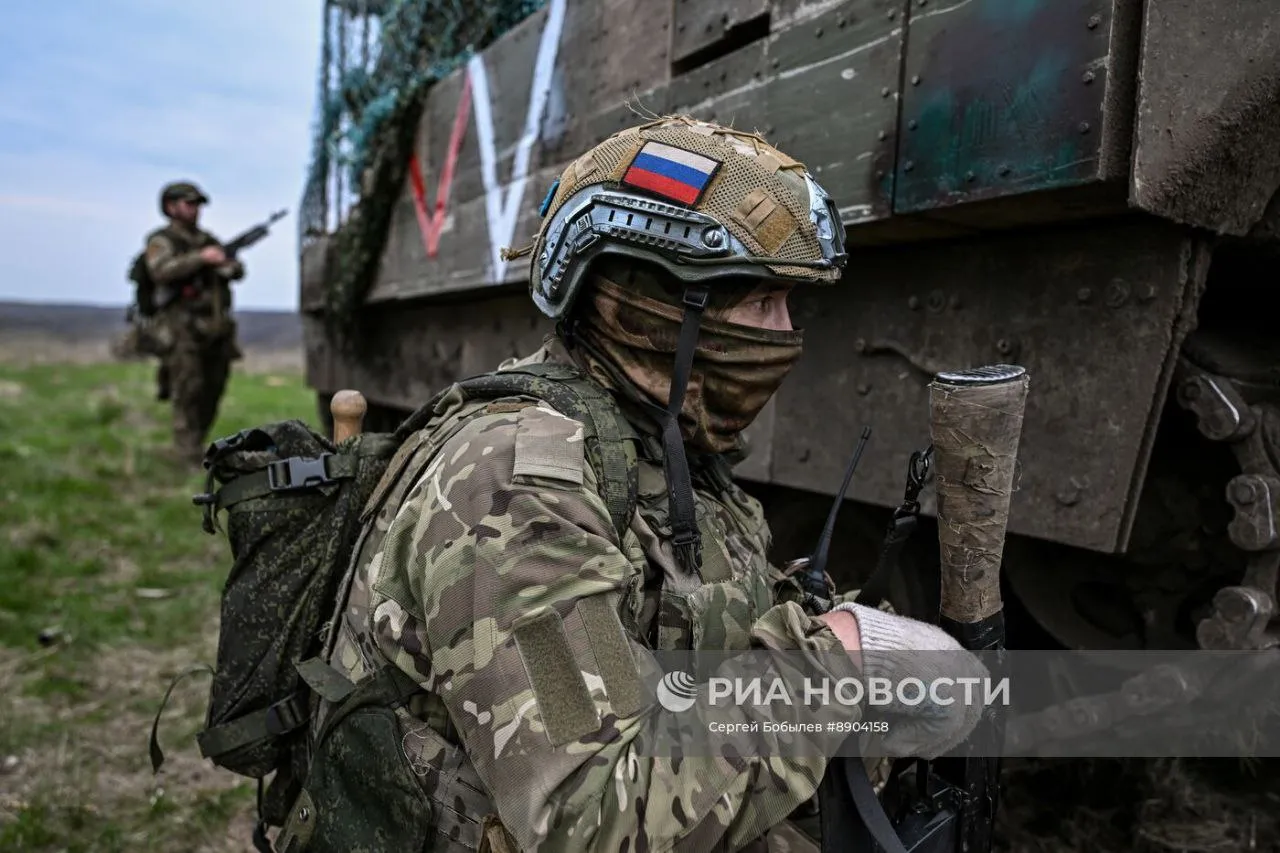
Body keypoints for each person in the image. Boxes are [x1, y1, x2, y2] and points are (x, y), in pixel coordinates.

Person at [306, 117, 988, 852]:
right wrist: (840, 658)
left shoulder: (656, 448)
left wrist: (846, 630)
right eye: (762, 302)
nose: (786, 334)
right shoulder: (515, 492)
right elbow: (594, 812)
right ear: (652, 307)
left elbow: (695, 632)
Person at [143, 181, 245, 464]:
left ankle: (196, 444)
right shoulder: (162, 241)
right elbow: (161, 271)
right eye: (189, 204)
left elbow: (236, 269)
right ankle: (186, 455)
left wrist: (226, 265)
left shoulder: (206, 239)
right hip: (181, 327)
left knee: (213, 387)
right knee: (188, 387)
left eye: (197, 204)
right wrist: (200, 259)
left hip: (213, 327)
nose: (195, 209)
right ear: (170, 207)